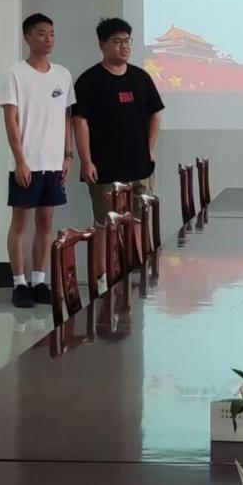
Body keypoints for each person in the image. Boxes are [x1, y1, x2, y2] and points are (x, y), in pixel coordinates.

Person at [73, 18, 164, 294]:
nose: (124, 46)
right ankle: (102, 281)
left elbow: (155, 113)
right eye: (117, 41)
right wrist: (86, 160)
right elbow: (80, 122)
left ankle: (136, 274)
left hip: (140, 167)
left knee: (138, 220)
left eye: (127, 41)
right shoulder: (89, 80)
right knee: (105, 225)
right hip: (105, 168)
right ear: (102, 44)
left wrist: (150, 148)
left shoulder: (140, 78)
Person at [0, 13, 76, 308]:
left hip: (54, 164)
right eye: (41, 33)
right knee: (21, 222)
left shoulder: (63, 75)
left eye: (52, 33)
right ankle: (19, 283)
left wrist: (68, 155)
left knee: (46, 221)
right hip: (27, 163)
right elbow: (11, 120)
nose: (48, 39)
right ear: (27, 37)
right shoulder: (16, 74)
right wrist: (20, 161)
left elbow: (67, 117)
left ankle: (39, 281)